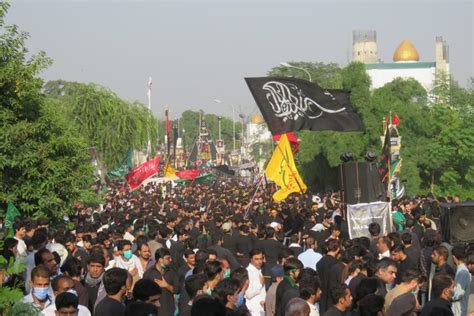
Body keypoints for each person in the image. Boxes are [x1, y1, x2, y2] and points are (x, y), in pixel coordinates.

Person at [143, 248, 178, 316]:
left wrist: (167, 286)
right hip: (154, 311)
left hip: (169, 310)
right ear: (160, 260)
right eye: (167, 258)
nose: (170, 260)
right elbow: (144, 293)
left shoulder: (172, 272)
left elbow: (177, 290)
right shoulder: (149, 273)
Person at [316, 239, 341, 313]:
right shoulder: (336, 264)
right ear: (338, 249)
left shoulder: (320, 262)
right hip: (332, 296)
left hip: (322, 293)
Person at [451, 245, 471, 316]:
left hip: (459, 311)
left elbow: (458, 294)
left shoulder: (463, 272)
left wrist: (447, 294)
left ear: (453, 257)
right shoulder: (460, 270)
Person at [245, 249, 266, 316]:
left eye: (261, 259)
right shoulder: (248, 272)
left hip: (261, 309)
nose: (260, 261)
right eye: (256, 259)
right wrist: (260, 285)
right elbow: (248, 294)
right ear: (251, 259)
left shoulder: (258, 270)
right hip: (254, 310)